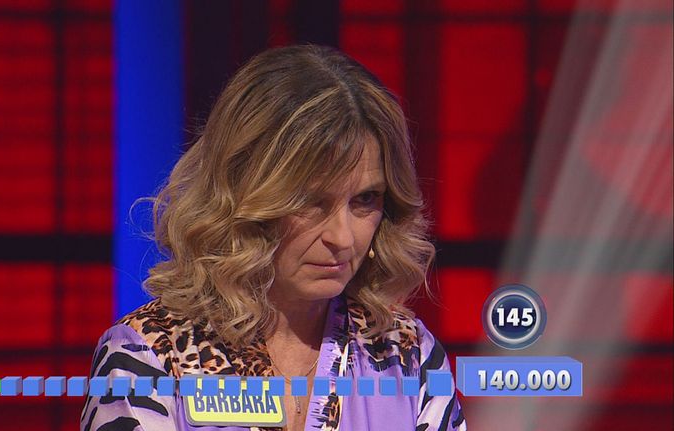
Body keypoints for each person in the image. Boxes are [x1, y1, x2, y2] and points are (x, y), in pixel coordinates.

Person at [81, 44, 466, 431]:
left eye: (365, 199)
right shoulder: (147, 354)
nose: (342, 237)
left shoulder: (408, 355)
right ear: (243, 193)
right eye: (311, 202)